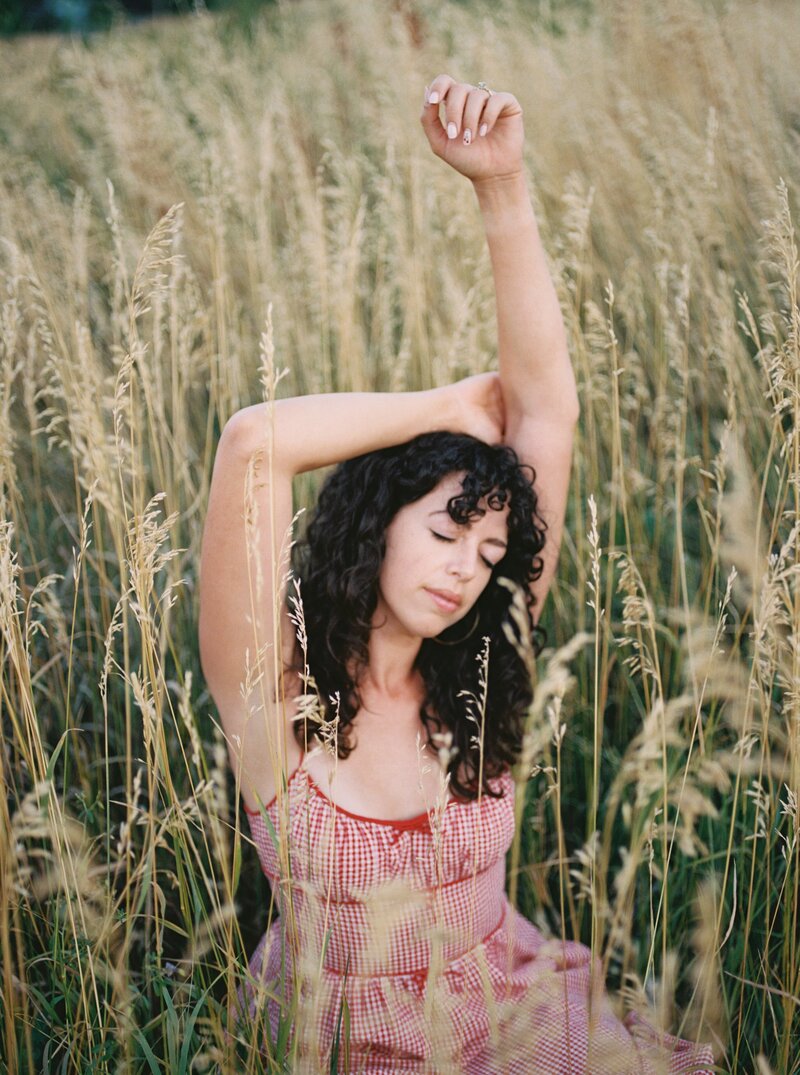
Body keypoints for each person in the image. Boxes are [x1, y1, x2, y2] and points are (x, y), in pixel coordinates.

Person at [198, 76, 715, 1074]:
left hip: (506, 1006)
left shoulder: (480, 666)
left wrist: (501, 185)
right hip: (353, 1045)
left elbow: (546, 413)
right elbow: (254, 442)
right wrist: (443, 408)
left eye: (486, 554)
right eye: (444, 531)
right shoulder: (278, 692)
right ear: (375, 522)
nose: (465, 571)